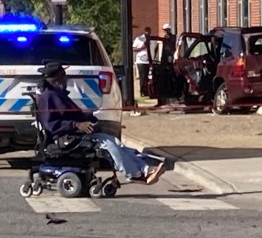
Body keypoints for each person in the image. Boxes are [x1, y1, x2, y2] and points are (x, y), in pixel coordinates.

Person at [37, 61, 166, 185]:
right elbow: (51, 125)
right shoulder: (49, 96)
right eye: (64, 75)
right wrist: (75, 125)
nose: (66, 78)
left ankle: (145, 169)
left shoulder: (58, 94)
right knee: (109, 144)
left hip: (75, 133)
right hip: (65, 137)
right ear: (58, 77)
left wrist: (92, 119)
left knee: (115, 141)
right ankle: (134, 174)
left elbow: (75, 114)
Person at [133, 26, 152, 98]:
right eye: (147, 32)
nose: (148, 34)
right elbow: (133, 48)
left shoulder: (150, 39)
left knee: (147, 77)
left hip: (148, 61)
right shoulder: (139, 39)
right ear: (144, 32)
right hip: (141, 61)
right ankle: (142, 91)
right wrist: (142, 48)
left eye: (149, 32)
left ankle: (147, 91)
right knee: (142, 77)